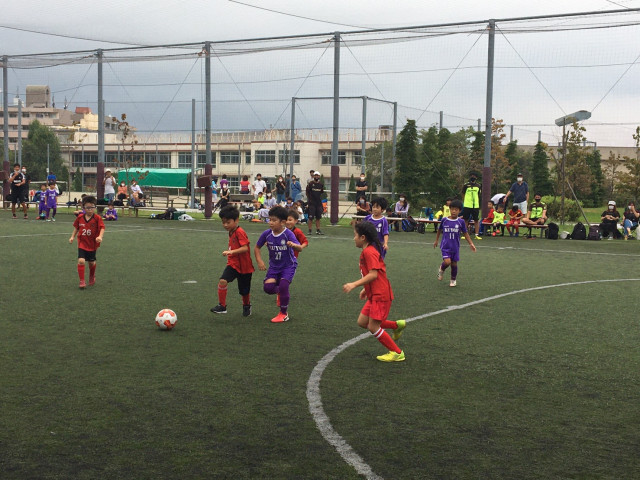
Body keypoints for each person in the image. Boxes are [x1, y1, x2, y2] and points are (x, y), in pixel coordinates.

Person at [342, 221, 406, 362]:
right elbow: (376, 274)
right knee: (362, 322)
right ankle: (396, 326)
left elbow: (374, 274)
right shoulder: (367, 251)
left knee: (372, 326)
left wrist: (354, 284)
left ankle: (397, 352)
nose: (354, 238)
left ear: (363, 237)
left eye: (355, 235)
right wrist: (366, 288)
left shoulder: (369, 252)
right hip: (374, 293)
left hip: (380, 294)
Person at [253, 205, 300, 323]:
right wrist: (259, 261)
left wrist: (294, 245)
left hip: (288, 265)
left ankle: (283, 314)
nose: (270, 223)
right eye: (269, 219)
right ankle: (280, 292)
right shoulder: (267, 234)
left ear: (282, 222)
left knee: (284, 285)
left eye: (274, 220)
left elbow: (300, 248)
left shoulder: (288, 234)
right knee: (268, 288)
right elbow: (257, 247)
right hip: (274, 267)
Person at [211, 205, 254, 317]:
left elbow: (245, 248)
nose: (225, 225)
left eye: (228, 222)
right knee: (223, 281)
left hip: (244, 266)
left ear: (236, 220)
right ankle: (222, 306)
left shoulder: (240, 232)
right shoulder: (231, 231)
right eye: (223, 222)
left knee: (244, 290)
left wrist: (231, 252)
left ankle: (246, 305)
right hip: (233, 264)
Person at [434, 199, 476, 287]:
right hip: (445, 246)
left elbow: (465, 233)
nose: (453, 211)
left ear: (459, 211)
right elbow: (439, 230)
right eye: (452, 209)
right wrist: (436, 240)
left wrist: (471, 243)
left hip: (455, 247)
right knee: (447, 262)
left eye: (456, 210)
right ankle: (441, 269)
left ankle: (453, 280)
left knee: (454, 264)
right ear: (450, 209)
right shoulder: (444, 220)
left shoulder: (461, 222)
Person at [69, 195, 105, 289]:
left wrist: (100, 236)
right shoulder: (80, 217)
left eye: (92, 207)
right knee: (81, 261)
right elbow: (76, 228)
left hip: (92, 244)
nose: (90, 209)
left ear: (95, 207)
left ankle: (92, 275)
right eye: (87, 207)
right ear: (84, 208)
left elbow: (102, 228)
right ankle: (82, 281)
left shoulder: (97, 218)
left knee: (91, 262)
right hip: (82, 243)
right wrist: (72, 237)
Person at [462, 173, 482, 240]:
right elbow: (463, 193)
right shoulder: (466, 185)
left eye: (474, 176)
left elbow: (478, 194)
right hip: (467, 205)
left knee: (476, 220)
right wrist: (465, 201)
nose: (473, 177)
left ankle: (476, 234)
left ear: (476, 177)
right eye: (472, 176)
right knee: (465, 219)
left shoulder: (478, 186)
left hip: (475, 205)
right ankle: (465, 234)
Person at [306, 171, 325, 235]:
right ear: (313, 176)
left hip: (318, 203)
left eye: (317, 175)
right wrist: (309, 201)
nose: (316, 177)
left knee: (318, 217)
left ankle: (318, 230)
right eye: (315, 175)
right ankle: (310, 230)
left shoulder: (321, 184)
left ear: (319, 176)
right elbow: (307, 192)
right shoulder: (310, 184)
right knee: (310, 217)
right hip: (312, 203)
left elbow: (321, 192)